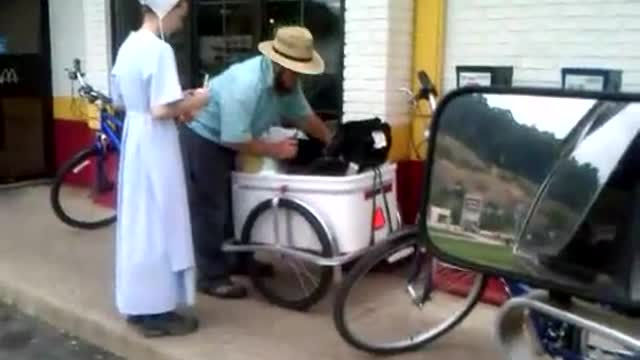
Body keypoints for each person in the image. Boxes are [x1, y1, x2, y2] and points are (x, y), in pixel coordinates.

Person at [179, 26, 332, 299]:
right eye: (295, 72)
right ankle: (211, 276)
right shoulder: (246, 84)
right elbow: (234, 138)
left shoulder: (287, 83)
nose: (298, 78)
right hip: (204, 137)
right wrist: (275, 150)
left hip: (234, 138)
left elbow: (305, 117)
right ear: (278, 64)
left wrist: (332, 141)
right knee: (210, 208)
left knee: (236, 205)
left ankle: (238, 260)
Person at [110, 0, 209, 337]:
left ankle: (138, 305)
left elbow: (121, 100)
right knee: (161, 222)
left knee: (139, 223)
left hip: (135, 139)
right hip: (157, 143)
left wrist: (174, 101)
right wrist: (197, 99)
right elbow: (161, 109)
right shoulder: (159, 50)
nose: (182, 21)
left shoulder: (128, 45)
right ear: (168, 10)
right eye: (181, 13)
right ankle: (158, 311)